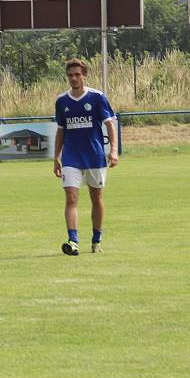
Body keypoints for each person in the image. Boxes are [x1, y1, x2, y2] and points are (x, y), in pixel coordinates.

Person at [53, 59, 119, 256]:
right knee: (71, 197)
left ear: (84, 75)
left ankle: (96, 239)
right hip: (71, 157)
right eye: (70, 75)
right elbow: (61, 131)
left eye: (77, 74)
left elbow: (109, 125)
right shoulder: (62, 101)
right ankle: (73, 241)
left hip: (95, 156)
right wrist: (56, 157)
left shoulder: (97, 97)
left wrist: (113, 150)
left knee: (96, 197)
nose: (74, 78)